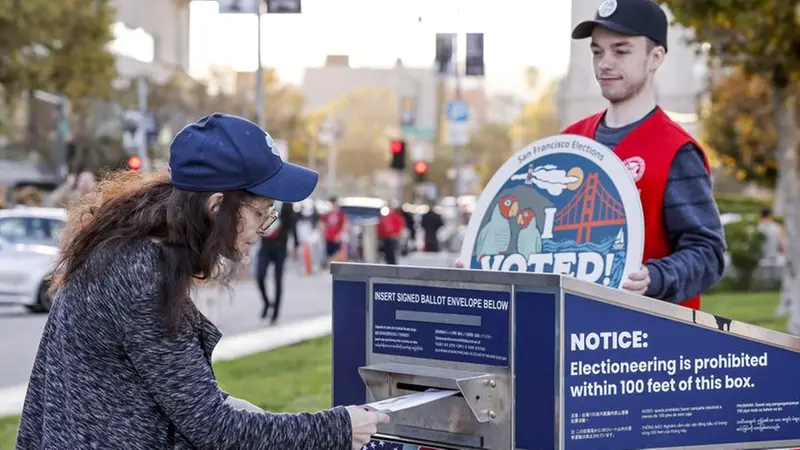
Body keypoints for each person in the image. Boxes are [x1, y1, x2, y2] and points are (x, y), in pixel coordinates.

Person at [15, 113, 388, 449]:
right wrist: (337, 428)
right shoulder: (140, 274)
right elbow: (212, 428)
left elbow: (177, 394)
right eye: (261, 211)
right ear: (216, 206)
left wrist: (226, 403)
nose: (264, 227)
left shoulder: (131, 251)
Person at [560, 0, 726, 308]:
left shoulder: (675, 150)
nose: (604, 63)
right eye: (597, 51)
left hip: (646, 344)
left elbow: (708, 254)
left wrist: (654, 277)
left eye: (620, 51)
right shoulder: (568, 141)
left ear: (655, 58)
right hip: (574, 333)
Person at [256, 201, 298, 323]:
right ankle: (267, 302)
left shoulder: (287, 204)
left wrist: (296, 244)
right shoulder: (266, 200)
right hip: (266, 245)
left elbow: (292, 225)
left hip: (280, 246)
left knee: (278, 279)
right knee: (260, 276)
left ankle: (275, 313)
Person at [320, 196, 348, 267]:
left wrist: (339, 235)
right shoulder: (327, 214)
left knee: (337, 254)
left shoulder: (340, 215)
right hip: (328, 237)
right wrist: (323, 232)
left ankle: (333, 266)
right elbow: (322, 223)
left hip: (336, 238)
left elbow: (345, 225)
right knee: (329, 254)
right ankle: (329, 266)